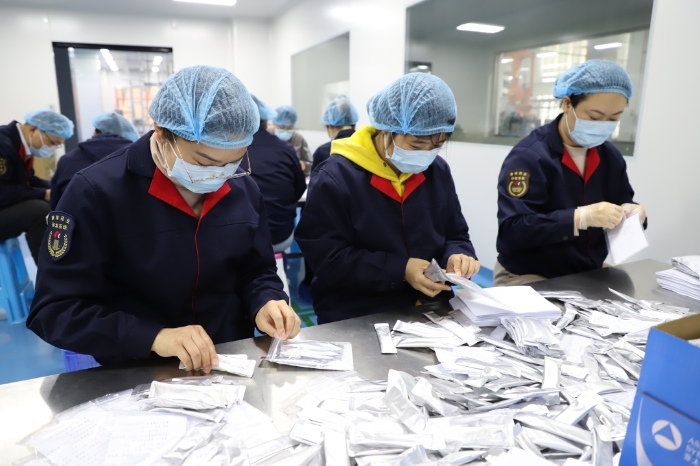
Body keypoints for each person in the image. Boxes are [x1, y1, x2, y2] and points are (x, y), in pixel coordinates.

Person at [27, 66, 301, 371]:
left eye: (233, 161)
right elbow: (56, 310)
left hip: (228, 360)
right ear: (161, 132)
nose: (218, 175)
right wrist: (154, 337)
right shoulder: (97, 192)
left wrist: (266, 301)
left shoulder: (243, 188)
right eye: (203, 162)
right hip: (139, 367)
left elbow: (257, 270)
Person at [296, 73, 479, 324]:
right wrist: (400, 269)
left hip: (432, 306)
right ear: (386, 130)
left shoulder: (437, 171)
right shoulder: (336, 177)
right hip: (359, 311)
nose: (426, 154)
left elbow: (456, 233)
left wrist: (458, 255)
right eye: (416, 144)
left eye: (437, 145)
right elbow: (327, 257)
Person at [495, 60, 647, 286]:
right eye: (594, 117)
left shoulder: (610, 157)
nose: (603, 125)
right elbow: (513, 232)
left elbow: (622, 202)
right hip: (531, 272)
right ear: (567, 104)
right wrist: (578, 218)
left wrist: (635, 214)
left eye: (614, 118)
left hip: (585, 271)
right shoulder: (529, 156)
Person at [0, 110, 73, 262]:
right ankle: (49, 270)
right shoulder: (3, 144)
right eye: (53, 143)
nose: (52, 149)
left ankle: (65, 260)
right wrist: (43, 193)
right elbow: (3, 191)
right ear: (33, 130)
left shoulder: (18, 145)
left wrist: (57, 188)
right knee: (38, 211)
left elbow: (29, 180)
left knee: (54, 201)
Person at [243, 96, 306, 252]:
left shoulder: (232, 151)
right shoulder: (286, 149)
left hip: (244, 240)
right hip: (281, 235)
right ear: (267, 122)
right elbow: (299, 188)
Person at [50, 111, 138, 209]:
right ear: (129, 135)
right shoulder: (134, 158)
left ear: (96, 132)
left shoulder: (68, 159)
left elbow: (56, 203)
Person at [311, 95, 359, 174]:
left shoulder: (323, 152)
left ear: (330, 127)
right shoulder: (367, 147)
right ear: (354, 123)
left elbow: (314, 180)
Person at [272, 105, 312, 175]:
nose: (285, 131)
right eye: (281, 127)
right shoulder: (267, 136)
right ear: (274, 124)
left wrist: (304, 165)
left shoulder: (299, 139)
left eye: (290, 128)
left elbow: (311, 164)